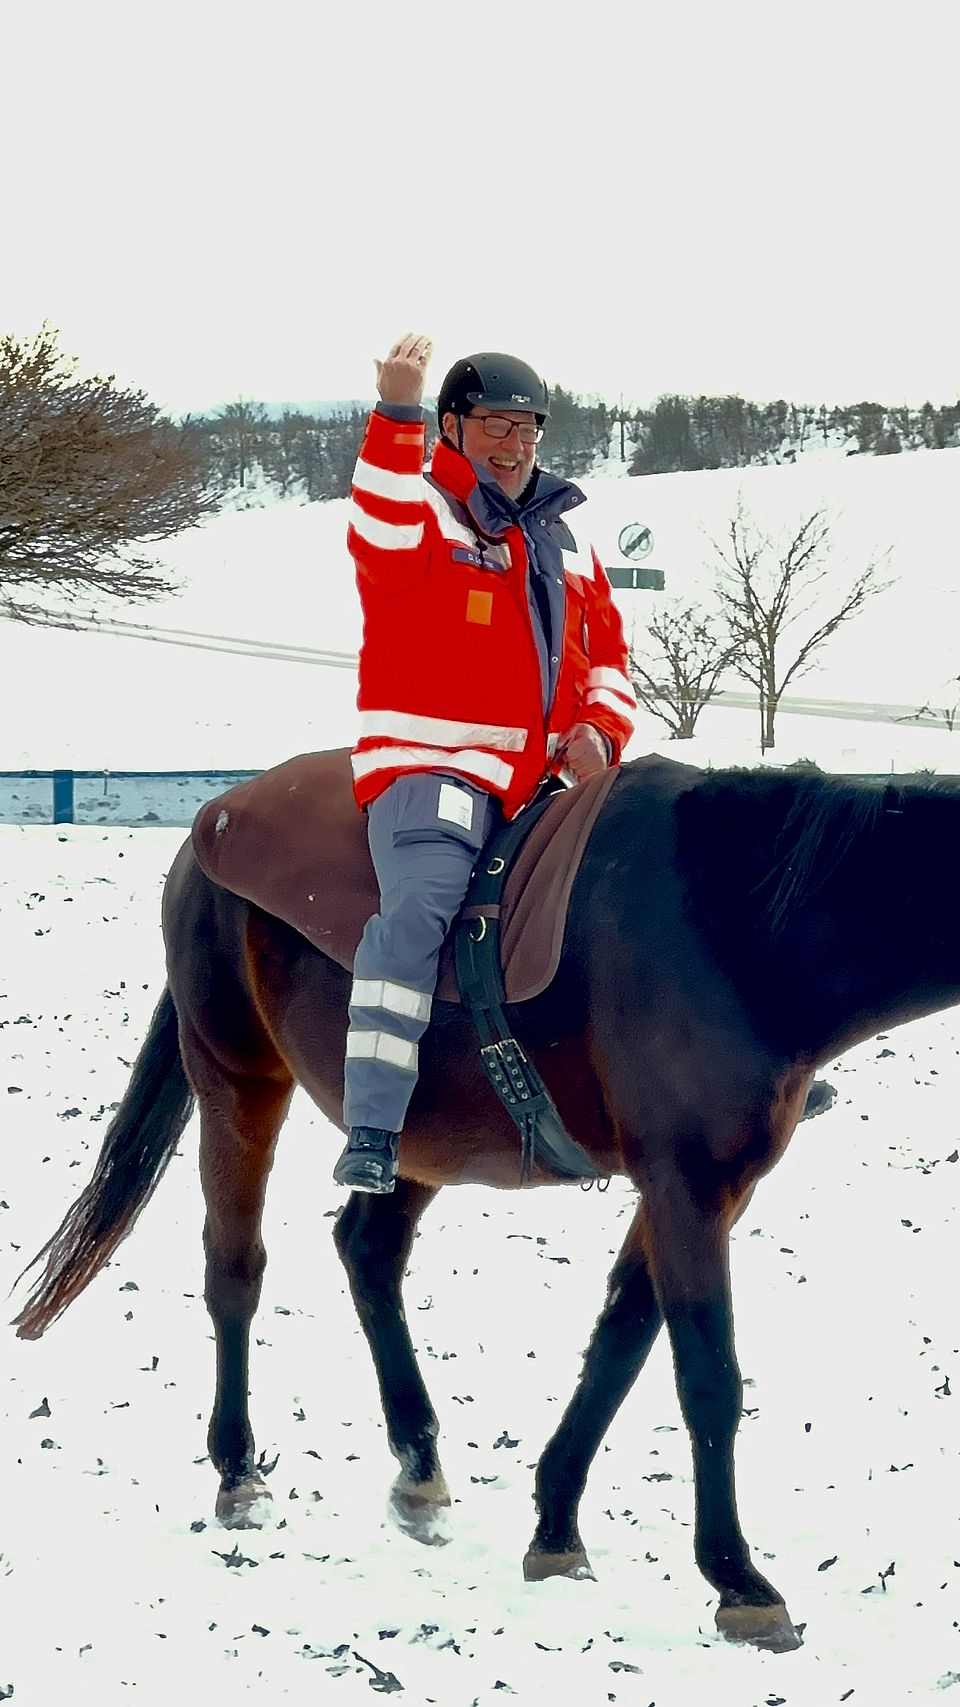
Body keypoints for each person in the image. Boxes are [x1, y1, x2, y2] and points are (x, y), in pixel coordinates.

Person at [333, 333, 637, 1193]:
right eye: (497, 426)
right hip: (433, 770)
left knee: (654, 880)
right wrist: (395, 410)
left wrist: (601, 735)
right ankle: (374, 1123)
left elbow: (609, 661)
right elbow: (378, 520)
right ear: (454, 429)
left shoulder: (567, 544)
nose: (515, 444)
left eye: (528, 429)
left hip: (544, 783)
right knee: (421, 910)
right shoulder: (421, 513)